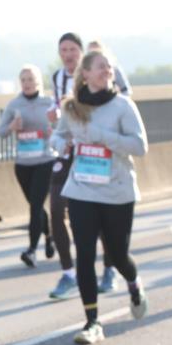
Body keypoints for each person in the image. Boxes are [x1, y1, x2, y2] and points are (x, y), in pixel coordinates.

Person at [51, 50, 149, 345]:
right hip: (81, 188)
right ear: (86, 73)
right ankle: (92, 321)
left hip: (117, 190)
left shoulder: (123, 106)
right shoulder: (72, 107)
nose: (108, 71)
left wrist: (102, 136)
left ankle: (133, 283)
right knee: (84, 252)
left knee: (117, 255)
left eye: (109, 67)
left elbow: (140, 146)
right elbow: (57, 137)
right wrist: (63, 144)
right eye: (101, 67)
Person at [47, 32, 119, 300]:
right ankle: (68, 274)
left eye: (72, 50)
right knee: (55, 209)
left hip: (94, 155)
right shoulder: (57, 78)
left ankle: (110, 269)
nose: (67, 55)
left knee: (99, 218)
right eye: (63, 50)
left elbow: (120, 101)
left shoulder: (99, 76)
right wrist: (57, 123)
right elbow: (60, 114)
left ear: (82, 56)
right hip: (68, 152)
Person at [0, 64, 57, 267]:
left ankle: (31, 250)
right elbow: (1, 131)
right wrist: (12, 126)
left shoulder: (48, 103)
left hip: (45, 159)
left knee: (36, 206)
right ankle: (49, 237)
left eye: (31, 79)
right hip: (23, 162)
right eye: (23, 80)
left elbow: (63, 127)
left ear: (38, 81)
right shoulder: (14, 104)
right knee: (35, 205)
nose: (27, 83)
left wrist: (52, 132)